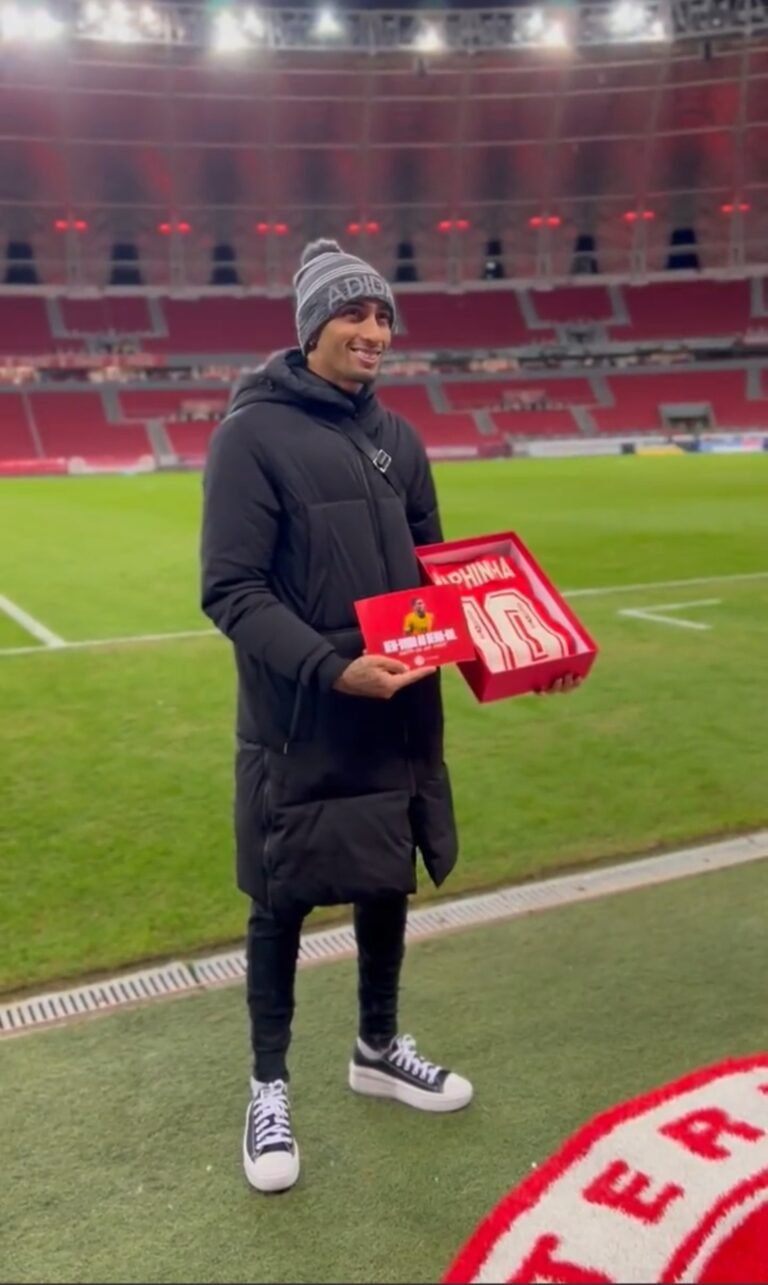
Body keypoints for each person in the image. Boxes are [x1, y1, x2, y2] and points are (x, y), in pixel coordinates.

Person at [200, 239, 472, 1195]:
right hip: (301, 713)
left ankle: (378, 1044)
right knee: (280, 897)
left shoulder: (400, 437)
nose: (375, 333)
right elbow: (230, 589)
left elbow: (444, 581)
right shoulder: (250, 435)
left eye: (385, 316)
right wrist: (327, 666)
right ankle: (267, 1084)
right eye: (355, 314)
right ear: (313, 325)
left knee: (382, 874)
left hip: (396, 708)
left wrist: (513, 657)